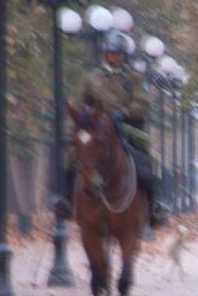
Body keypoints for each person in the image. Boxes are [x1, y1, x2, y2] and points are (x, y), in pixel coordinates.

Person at [55, 30, 169, 227]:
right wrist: (75, 128)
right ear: (105, 53)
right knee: (72, 155)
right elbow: (78, 104)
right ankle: (66, 200)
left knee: (151, 158)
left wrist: (124, 112)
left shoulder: (133, 78)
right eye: (111, 52)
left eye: (118, 53)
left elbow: (143, 103)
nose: (115, 56)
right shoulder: (90, 78)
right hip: (96, 127)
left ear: (124, 56)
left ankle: (154, 208)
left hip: (126, 127)